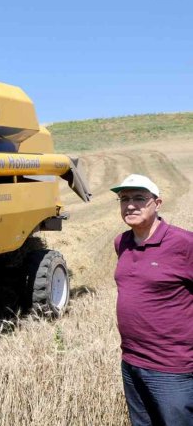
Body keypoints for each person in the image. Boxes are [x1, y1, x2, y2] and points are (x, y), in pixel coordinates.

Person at [110, 174, 192, 426]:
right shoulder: (121, 242)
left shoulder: (184, 244)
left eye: (139, 198)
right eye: (124, 199)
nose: (130, 205)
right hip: (132, 361)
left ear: (157, 203)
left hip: (172, 368)